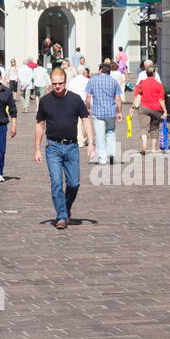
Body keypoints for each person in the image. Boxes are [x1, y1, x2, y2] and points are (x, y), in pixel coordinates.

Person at [35, 68, 95, 228]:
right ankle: (61, 216)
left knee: (74, 183)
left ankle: (66, 207)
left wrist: (91, 143)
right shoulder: (45, 101)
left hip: (71, 147)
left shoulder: (75, 99)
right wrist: (37, 148)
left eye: (60, 83)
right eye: (54, 84)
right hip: (53, 147)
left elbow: (86, 120)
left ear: (65, 82)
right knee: (56, 182)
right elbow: (40, 125)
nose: (57, 87)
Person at [86, 63, 123, 166]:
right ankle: (111, 154)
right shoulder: (114, 82)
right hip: (111, 112)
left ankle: (102, 158)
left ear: (100, 70)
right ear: (109, 71)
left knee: (99, 135)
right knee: (110, 132)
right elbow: (118, 98)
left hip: (98, 112)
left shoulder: (92, 80)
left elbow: (88, 97)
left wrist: (87, 108)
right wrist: (119, 112)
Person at [132, 62, 167, 154]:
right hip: (156, 109)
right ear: (154, 73)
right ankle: (153, 149)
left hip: (144, 108)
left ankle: (144, 146)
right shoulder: (159, 85)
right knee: (154, 128)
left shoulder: (141, 83)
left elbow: (137, 95)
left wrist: (133, 106)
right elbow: (161, 99)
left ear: (146, 73)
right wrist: (165, 111)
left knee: (144, 127)